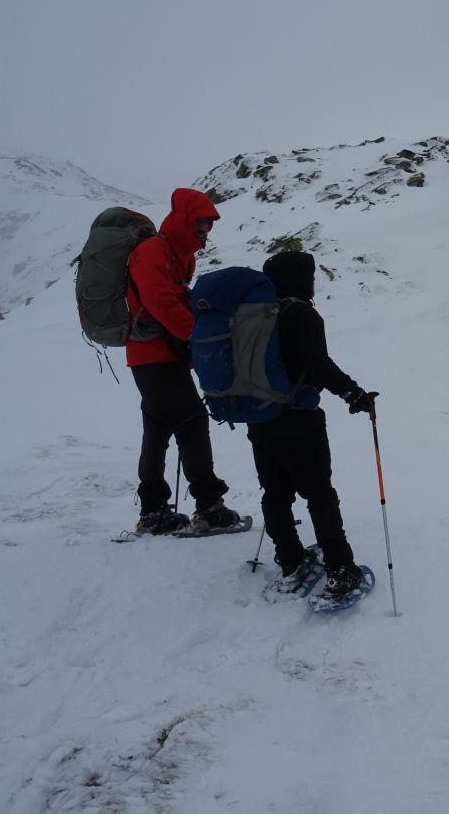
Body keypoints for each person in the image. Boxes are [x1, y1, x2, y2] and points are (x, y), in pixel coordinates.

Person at [250, 250, 375, 597]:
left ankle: (290, 560)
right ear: (302, 279)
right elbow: (319, 365)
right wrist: (355, 394)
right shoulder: (302, 314)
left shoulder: (254, 315)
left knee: (276, 493)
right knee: (319, 493)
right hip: (299, 418)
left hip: (258, 418)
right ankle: (340, 568)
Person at [127, 188, 240, 534]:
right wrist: (198, 339)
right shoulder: (154, 251)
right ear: (183, 220)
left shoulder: (179, 255)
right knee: (191, 420)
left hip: (160, 355)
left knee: (158, 426)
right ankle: (208, 505)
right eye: (200, 223)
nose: (205, 230)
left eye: (209, 225)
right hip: (152, 355)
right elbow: (160, 301)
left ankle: (153, 510)